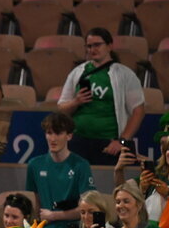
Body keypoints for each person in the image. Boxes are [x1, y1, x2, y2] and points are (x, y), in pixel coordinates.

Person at [57, 28, 145, 166]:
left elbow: (138, 111)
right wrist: (76, 102)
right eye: (89, 46)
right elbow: (61, 109)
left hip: (108, 143)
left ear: (110, 46)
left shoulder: (124, 74)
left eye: (97, 45)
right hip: (78, 139)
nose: (93, 49)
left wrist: (121, 141)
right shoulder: (78, 72)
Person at [25, 112, 95, 228]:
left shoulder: (81, 166)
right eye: (49, 133)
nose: (53, 138)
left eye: (58, 133)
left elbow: (87, 209)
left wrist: (54, 215)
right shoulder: (35, 165)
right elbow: (37, 205)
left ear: (69, 136)